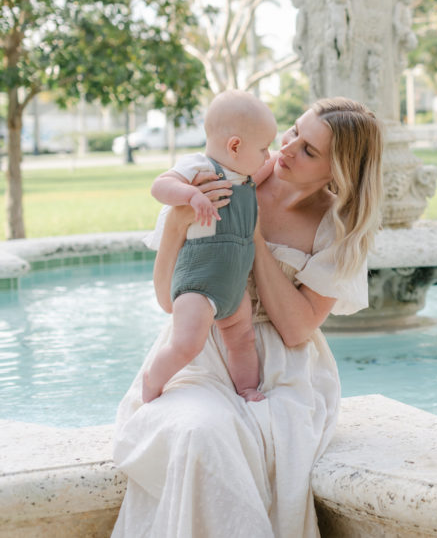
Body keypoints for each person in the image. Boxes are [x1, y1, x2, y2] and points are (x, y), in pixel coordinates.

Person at [112, 97, 384, 538]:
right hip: (198, 347)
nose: (287, 148)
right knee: (202, 432)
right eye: (294, 131)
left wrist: (250, 234)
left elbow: (296, 328)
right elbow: (167, 299)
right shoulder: (230, 170)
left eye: (308, 150)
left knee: (262, 440)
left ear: (338, 172)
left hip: (278, 365)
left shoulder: (338, 229)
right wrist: (180, 225)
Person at [142, 89, 277, 403]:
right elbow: (159, 185)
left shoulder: (245, 178)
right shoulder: (199, 167)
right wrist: (190, 195)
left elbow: (274, 166)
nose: (268, 157)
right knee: (187, 344)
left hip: (232, 289)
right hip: (198, 285)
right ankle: (151, 381)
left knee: (243, 340)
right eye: (264, 148)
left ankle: (246, 389)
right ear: (234, 146)